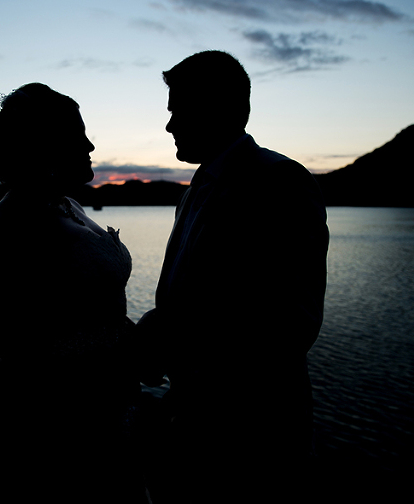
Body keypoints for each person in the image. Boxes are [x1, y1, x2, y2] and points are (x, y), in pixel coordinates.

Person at [137, 51, 329, 501]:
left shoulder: (280, 181)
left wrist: (175, 341)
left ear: (219, 109)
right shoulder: (195, 190)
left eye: (177, 112)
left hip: (256, 433)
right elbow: (196, 294)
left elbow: (294, 320)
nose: (169, 126)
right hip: (193, 421)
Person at [0, 83, 146, 503]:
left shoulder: (64, 204)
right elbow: (33, 346)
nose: (89, 144)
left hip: (100, 409)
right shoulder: (12, 230)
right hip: (43, 421)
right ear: (43, 146)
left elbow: (83, 309)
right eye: (77, 135)